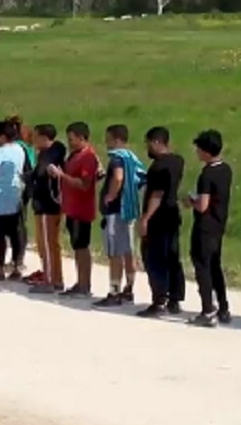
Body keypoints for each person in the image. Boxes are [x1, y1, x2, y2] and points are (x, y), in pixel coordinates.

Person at [184, 129, 233, 327]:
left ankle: (207, 309)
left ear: (205, 151)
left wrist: (190, 202)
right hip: (219, 224)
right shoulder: (226, 169)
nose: (197, 153)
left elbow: (203, 205)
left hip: (204, 226)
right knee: (215, 266)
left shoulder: (207, 174)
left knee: (202, 265)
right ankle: (223, 307)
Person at [136, 127, 186, 317]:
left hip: (158, 217)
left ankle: (159, 300)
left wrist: (145, 218)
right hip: (173, 214)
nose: (147, 148)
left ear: (157, 142)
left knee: (154, 258)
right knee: (172, 256)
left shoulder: (158, 167)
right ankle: (175, 298)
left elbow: (157, 194)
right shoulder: (178, 161)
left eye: (148, 143)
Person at [94, 125, 146, 307]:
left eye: (108, 139)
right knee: (128, 251)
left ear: (116, 140)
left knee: (114, 253)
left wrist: (111, 195)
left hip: (116, 211)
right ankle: (129, 288)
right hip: (130, 210)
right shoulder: (132, 158)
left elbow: (117, 178)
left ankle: (114, 291)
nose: (106, 143)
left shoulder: (117, 159)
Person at [50, 122, 99, 297]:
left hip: (82, 209)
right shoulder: (75, 155)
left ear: (81, 138)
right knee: (76, 246)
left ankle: (85, 285)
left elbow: (85, 184)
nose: (70, 143)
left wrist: (62, 176)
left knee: (82, 247)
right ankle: (80, 282)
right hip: (72, 207)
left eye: (72, 139)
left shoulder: (88, 157)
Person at [0, 119, 26, 280]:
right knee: (15, 232)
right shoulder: (19, 149)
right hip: (15, 194)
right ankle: (16, 266)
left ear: (2, 136)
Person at [28, 124, 67, 294]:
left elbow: (41, 172)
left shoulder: (48, 155)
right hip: (53, 204)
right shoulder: (57, 151)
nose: (33, 140)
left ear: (44, 138)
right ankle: (56, 279)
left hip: (46, 205)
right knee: (53, 244)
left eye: (36, 137)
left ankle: (49, 281)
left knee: (46, 244)